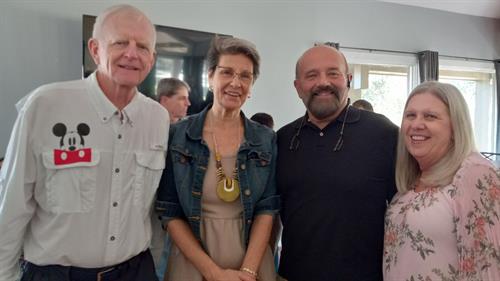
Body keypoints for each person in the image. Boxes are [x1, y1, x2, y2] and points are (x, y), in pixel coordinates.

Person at [0, 5, 168, 281]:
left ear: (152, 58)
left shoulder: (158, 119)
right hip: (56, 274)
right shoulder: (45, 105)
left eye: (142, 47)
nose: (131, 54)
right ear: (95, 49)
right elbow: (13, 203)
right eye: (120, 43)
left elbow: (152, 210)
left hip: (136, 271)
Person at [156, 36, 278, 281]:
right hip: (193, 262)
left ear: (252, 85)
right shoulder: (179, 136)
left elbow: (268, 208)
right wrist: (213, 273)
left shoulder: (266, 139)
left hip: (251, 260)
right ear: (210, 77)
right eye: (227, 72)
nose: (236, 82)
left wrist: (248, 271)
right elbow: (170, 211)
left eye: (245, 76)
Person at [276, 45, 399, 280]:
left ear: (348, 80)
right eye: (312, 75)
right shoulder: (282, 139)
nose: (323, 82)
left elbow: (407, 211)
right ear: (297, 86)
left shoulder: (383, 134)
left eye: (333, 73)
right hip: (293, 274)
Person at [383, 81, 500, 280]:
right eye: (410, 115)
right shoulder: (412, 179)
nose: (416, 124)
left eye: (430, 116)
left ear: (455, 126)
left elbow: (488, 267)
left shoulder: (475, 173)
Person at [151, 77, 192, 279]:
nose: (188, 103)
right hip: (153, 215)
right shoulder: (148, 130)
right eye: (182, 98)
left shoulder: (187, 133)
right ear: (164, 100)